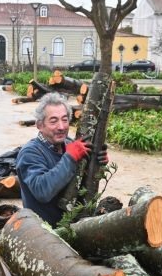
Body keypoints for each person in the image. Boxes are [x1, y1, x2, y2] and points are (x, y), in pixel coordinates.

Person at [16, 92, 108, 226]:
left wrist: (99, 162)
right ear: (40, 125)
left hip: (75, 226)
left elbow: (84, 180)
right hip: (44, 231)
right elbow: (42, 191)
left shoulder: (70, 144)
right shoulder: (30, 153)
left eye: (65, 120)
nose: (61, 127)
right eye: (53, 121)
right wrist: (70, 158)